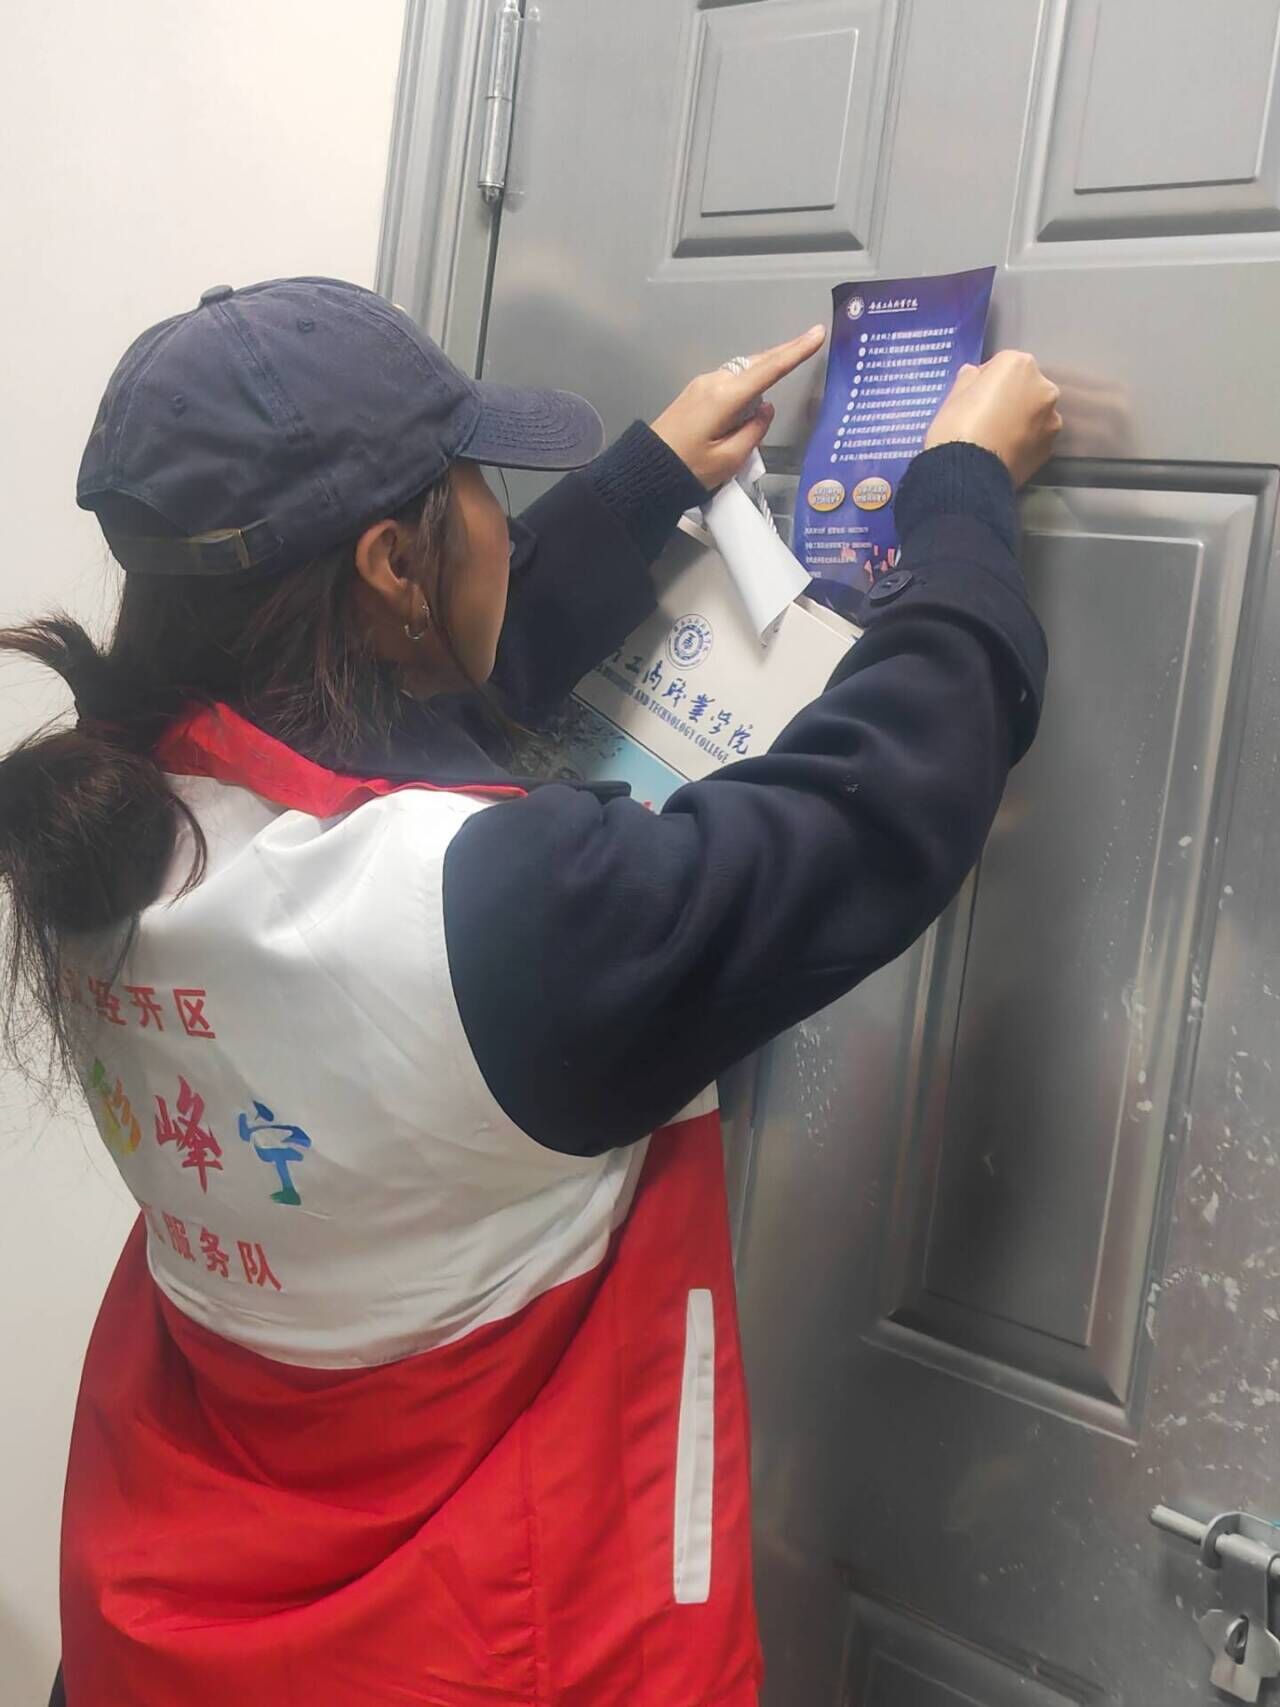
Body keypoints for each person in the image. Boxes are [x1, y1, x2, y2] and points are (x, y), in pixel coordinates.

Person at [2, 278, 1057, 1707]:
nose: (502, 518)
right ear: (393, 566)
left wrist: (640, 488)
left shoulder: (99, 828)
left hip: (170, 1619)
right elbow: (876, 806)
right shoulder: (499, 920)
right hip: (480, 1649)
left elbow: (393, 716)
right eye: (481, 490)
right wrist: (962, 500)